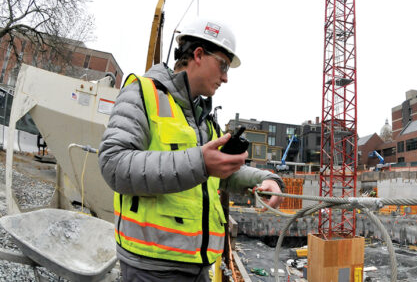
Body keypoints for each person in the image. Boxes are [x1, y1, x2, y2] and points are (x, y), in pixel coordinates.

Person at [99, 18, 284, 281]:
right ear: (198, 54)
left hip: (198, 265)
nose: (225, 77)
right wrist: (200, 163)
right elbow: (113, 164)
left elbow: (220, 171)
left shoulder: (203, 117)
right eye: (223, 65)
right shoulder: (141, 93)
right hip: (151, 268)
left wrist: (265, 179)